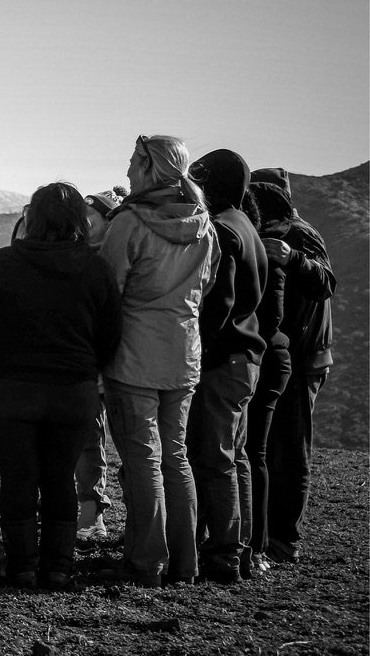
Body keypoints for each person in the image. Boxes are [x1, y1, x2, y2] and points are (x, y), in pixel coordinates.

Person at [0, 182, 121, 590]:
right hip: (73, 389)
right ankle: (58, 567)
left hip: (10, 389)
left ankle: (20, 566)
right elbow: (111, 334)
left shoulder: (3, 264)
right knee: (60, 478)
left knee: (17, 478)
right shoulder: (96, 268)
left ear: (31, 218)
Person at [98, 135, 219, 588]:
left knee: (142, 458)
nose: (127, 171)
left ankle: (146, 561)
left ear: (150, 169)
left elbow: (108, 291)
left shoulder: (130, 222)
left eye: (133, 162)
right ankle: (184, 563)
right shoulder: (204, 226)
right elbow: (206, 285)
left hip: (134, 354)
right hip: (183, 353)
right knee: (176, 456)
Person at [186, 149, 268, 584]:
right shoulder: (247, 226)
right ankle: (244, 548)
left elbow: (219, 302)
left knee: (215, 457)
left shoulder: (221, 229)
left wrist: (199, 349)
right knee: (237, 457)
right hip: (248, 357)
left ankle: (223, 555)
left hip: (222, 359)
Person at [250, 168, 335, 565]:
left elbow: (325, 282)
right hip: (295, 355)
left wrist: (294, 258)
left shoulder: (299, 234)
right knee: (277, 447)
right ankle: (273, 534)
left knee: (290, 448)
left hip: (301, 359)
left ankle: (284, 538)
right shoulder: (280, 231)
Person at [238, 188, 289, 575]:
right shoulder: (265, 251)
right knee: (251, 453)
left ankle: (254, 545)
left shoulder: (258, 253)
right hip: (269, 356)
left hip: (260, 358)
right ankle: (252, 545)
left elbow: (269, 317)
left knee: (252, 452)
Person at [75, 186, 126, 544]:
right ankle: (90, 511)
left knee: (130, 443)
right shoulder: (74, 258)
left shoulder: (120, 257)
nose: (83, 223)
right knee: (88, 439)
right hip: (85, 363)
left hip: (123, 362)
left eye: (90, 217)